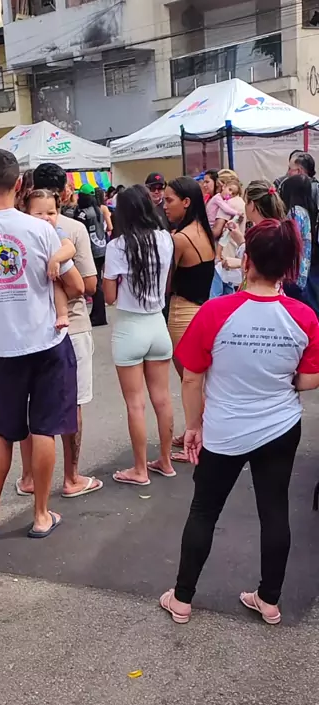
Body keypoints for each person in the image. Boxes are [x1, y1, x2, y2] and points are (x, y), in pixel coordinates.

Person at [161, 216, 319, 626]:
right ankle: (269, 600)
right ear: (287, 266)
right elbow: (309, 379)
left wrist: (193, 426)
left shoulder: (216, 311)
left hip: (224, 427)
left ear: (246, 261)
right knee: (275, 509)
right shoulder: (304, 317)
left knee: (204, 510)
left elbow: (192, 377)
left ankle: (182, 598)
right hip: (280, 426)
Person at [0, 148, 85, 538]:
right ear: (21, 184)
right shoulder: (42, 229)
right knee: (44, 429)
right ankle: (41, 515)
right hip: (48, 341)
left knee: (6, 430)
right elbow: (77, 286)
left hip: (5, 348)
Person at [17, 161, 101, 499]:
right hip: (73, 328)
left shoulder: (14, 227)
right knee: (72, 403)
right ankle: (71, 476)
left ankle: (29, 477)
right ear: (64, 192)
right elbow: (87, 285)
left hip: (28, 328)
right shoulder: (73, 228)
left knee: (31, 404)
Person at [103, 185, 175, 484]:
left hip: (129, 328)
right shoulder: (165, 239)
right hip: (158, 324)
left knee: (136, 404)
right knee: (163, 399)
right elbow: (167, 283)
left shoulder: (117, 246)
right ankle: (166, 461)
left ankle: (140, 469)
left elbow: (109, 297)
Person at [164, 176, 216, 462]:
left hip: (182, 313)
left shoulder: (180, 239)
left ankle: (200, 439)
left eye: (169, 200)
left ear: (186, 202)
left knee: (189, 381)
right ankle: (197, 432)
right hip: (201, 310)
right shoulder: (204, 231)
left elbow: (166, 282)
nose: (164, 205)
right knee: (198, 380)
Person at [23, 189, 76, 329]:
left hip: (54, 275)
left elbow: (70, 248)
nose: (45, 218)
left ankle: (62, 315)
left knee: (56, 286)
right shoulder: (24, 231)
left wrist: (55, 259)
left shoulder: (55, 231)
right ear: (26, 215)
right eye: (39, 214)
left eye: (51, 213)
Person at [75, 183, 107, 327]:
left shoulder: (83, 213)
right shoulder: (98, 210)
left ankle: (98, 316)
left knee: (94, 284)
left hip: (90, 250)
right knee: (98, 282)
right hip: (101, 248)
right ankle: (97, 313)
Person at [210, 170, 246, 298]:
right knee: (229, 293)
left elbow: (219, 231)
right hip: (234, 252)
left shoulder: (228, 204)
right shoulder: (242, 203)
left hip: (222, 254)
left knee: (215, 294)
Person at [280, 174, 315, 300]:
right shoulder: (305, 212)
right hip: (301, 272)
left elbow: (292, 238)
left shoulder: (296, 212)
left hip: (292, 272)